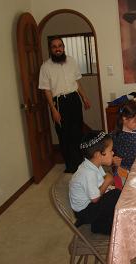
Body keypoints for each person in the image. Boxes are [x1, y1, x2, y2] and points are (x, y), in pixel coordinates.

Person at [38, 36, 91, 173]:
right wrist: (53, 109)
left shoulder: (71, 61)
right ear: (50, 49)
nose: (57, 49)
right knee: (64, 134)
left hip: (74, 99)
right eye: (54, 46)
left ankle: (80, 162)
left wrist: (84, 97)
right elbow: (46, 90)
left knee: (77, 131)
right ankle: (71, 166)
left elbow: (76, 82)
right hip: (59, 102)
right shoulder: (45, 67)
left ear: (63, 47)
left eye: (60, 46)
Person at [69, 130, 121, 235]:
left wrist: (109, 180)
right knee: (115, 195)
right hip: (85, 212)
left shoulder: (93, 165)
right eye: (110, 150)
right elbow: (95, 198)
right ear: (98, 155)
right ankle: (99, 226)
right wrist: (107, 182)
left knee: (115, 193)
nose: (113, 153)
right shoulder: (87, 173)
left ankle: (107, 221)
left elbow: (104, 180)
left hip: (91, 205)